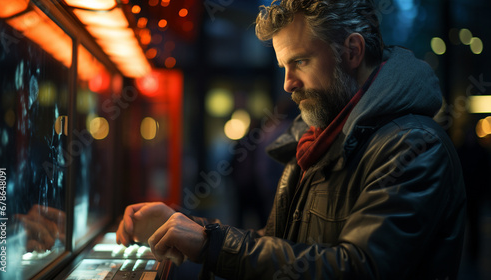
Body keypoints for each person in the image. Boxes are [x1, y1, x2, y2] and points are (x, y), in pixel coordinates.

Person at [116, 0, 466, 279]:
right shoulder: (317, 140)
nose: (288, 83)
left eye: (300, 61)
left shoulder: (415, 145)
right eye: (284, 66)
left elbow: (359, 268)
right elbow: (281, 247)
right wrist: (189, 227)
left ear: (353, 51)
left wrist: (211, 244)